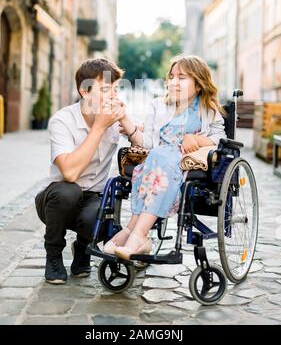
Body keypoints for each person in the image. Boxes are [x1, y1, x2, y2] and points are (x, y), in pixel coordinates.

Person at [103, 54, 227, 260]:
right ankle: (137, 234)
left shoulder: (207, 110)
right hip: (156, 161)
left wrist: (196, 140)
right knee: (156, 159)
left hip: (183, 163)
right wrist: (125, 119)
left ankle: (136, 233)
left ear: (198, 84)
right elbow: (148, 143)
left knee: (162, 163)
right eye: (171, 77)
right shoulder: (158, 105)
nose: (174, 82)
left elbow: (220, 138)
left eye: (182, 77)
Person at [35, 58, 125, 284]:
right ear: (85, 92)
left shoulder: (114, 120)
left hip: (93, 197)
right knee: (69, 191)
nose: (113, 95)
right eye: (106, 89)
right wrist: (98, 128)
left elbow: (144, 143)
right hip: (56, 199)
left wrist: (129, 123)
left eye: (116, 89)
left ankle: (84, 249)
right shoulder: (63, 120)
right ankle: (53, 256)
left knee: (102, 217)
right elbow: (70, 174)